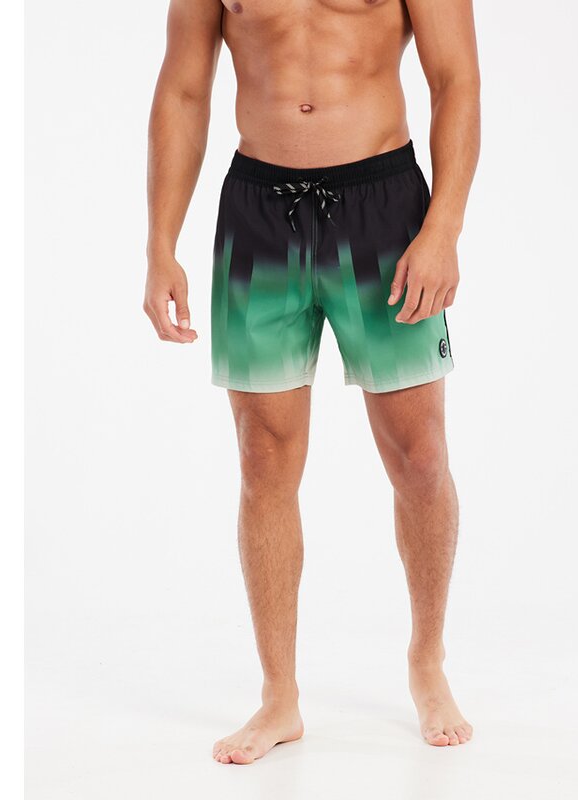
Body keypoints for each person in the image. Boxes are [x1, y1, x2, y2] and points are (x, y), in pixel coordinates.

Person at [144, 0, 480, 765]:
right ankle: (279, 696)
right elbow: (184, 88)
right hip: (258, 211)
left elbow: (456, 78)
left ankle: (427, 659)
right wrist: (160, 243)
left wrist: (443, 229)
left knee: (420, 455)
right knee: (263, 460)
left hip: (386, 211)